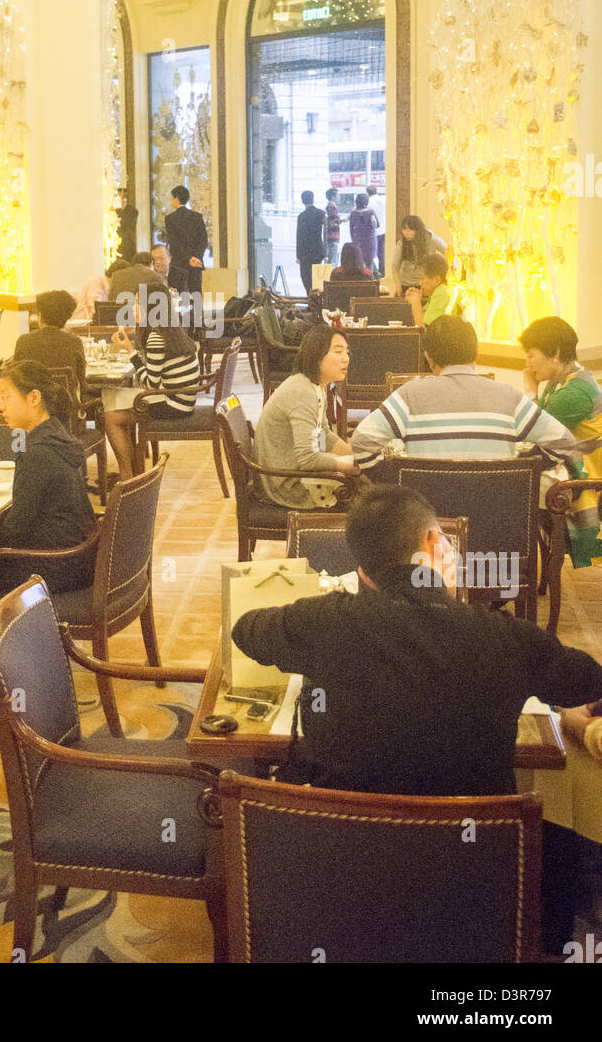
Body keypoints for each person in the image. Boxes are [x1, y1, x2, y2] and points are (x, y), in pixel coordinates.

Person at [231, 484, 602, 954]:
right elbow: (588, 683)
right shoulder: (510, 639)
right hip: (471, 876)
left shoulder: (320, 621)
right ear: (434, 545)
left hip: (343, 869)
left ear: (363, 573)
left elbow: (247, 631)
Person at [351, 314, 576, 470]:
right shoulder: (509, 397)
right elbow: (565, 443)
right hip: (499, 527)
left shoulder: (410, 395)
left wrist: (398, 478)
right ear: (475, 353)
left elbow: (361, 443)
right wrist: (527, 465)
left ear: (428, 356)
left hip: (431, 527)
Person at [0, 362, 97, 599]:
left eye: (6, 397)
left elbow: (17, 527)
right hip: (78, 558)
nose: (2, 406)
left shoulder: (36, 452)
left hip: (54, 566)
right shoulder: (56, 433)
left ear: (34, 397)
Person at [519, 315, 602, 568]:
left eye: (531, 354)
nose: (527, 362)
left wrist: (531, 392)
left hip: (590, 479)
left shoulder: (573, 392)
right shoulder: (561, 382)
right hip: (578, 467)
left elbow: (532, 432)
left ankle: (515, 566)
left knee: (518, 488)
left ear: (554, 353)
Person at [103, 280, 200, 480]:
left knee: (110, 416)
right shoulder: (171, 329)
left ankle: (127, 476)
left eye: (138, 303)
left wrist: (130, 352)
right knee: (115, 399)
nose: (133, 308)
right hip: (183, 399)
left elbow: (149, 384)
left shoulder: (157, 337)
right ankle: (133, 469)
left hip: (172, 403)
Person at [252, 325, 354, 509]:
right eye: (338, 352)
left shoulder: (316, 385)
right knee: (360, 494)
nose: (346, 358)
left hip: (291, 474)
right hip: (286, 486)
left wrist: (354, 455)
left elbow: (322, 434)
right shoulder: (302, 391)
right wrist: (349, 466)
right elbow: (307, 459)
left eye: (347, 351)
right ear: (317, 357)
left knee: (362, 477)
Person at [13, 289, 87, 404]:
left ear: (40, 315)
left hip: (31, 412)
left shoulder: (23, 341)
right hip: (66, 415)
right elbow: (83, 385)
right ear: (66, 319)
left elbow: (15, 380)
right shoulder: (74, 342)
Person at [164, 185, 208, 294]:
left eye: (172, 198)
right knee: (196, 295)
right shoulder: (197, 216)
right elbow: (203, 240)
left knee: (178, 297)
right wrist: (196, 258)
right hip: (196, 264)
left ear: (177, 199)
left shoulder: (170, 219)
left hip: (179, 264)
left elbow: (174, 243)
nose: (171, 201)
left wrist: (188, 258)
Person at [391, 214, 446, 295]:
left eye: (410, 230)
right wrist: (398, 286)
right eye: (404, 229)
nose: (406, 233)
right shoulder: (402, 243)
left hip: (425, 284)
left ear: (418, 230)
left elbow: (447, 251)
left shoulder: (431, 239)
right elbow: (395, 266)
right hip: (406, 284)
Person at [405, 253, 461, 326]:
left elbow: (425, 329)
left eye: (422, 278)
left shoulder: (442, 293)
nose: (420, 283)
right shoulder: (437, 293)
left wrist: (415, 303)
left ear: (437, 280)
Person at [295, 190, 325, 295]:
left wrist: (298, 255)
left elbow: (299, 236)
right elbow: (325, 234)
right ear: (313, 199)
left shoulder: (302, 216)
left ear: (303, 201)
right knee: (317, 279)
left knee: (306, 277)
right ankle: (317, 301)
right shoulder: (321, 213)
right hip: (318, 250)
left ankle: (310, 298)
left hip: (305, 252)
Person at [349, 192, 377, 274]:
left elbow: (351, 229)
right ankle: (369, 280)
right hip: (369, 241)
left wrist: (353, 241)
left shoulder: (353, 213)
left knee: (358, 263)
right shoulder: (371, 211)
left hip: (357, 241)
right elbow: (377, 225)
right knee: (369, 263)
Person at [366, 183, 386, 278]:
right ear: (376, 191)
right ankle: (383, 272)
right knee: (382, 253)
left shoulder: (368, 202)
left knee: (370, 253)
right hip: (384, 230)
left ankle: (375, 272)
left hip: (373, 232)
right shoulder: (383, 199)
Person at [115, 188, 138, 261]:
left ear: (124, 199)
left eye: (119, 197)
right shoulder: (114, 211)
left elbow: (129, 227)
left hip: (127, 243)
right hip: (116, 243)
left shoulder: (132, 211)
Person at [324, 188, 342, 268]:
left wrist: (339, 220)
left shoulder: (330, 206)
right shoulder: (332, 206)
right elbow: (333, 222)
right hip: (333, 236)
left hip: (331, 236)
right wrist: (340, 220)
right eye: (337, 195)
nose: (339, 197)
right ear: (332, 197)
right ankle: (331, 278)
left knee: (332, 259)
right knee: (332, 260)